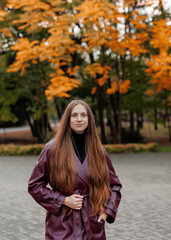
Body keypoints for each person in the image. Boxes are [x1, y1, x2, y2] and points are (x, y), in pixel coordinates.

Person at [28, 99, 122, 240]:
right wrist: (63, 200)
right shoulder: (52, 149)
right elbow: (34, 186)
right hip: (62, 224)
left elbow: (114, 185)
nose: (79, 119)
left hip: (92, 221)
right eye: (74, 115)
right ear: (67, 119)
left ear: (89, 119)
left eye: (84, 115)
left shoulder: (98, 150)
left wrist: (106, 211)